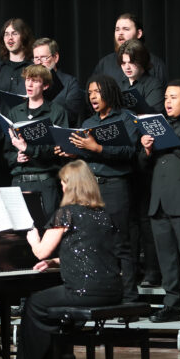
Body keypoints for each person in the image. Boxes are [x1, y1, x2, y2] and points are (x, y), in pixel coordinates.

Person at [2, 160, 122, 359]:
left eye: (64, 183)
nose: (62, 187)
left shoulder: (65, 214)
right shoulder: (102, 214)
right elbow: (92, 252)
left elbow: (40, 252)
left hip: (84, 290)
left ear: (72, 185)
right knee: (47, 307)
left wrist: (33, 239)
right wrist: (57, 261)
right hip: (112, 289)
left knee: (34, 304)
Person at [54, 75, 141, 306]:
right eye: (90, 92)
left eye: (97, 92)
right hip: (90, 189)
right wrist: (74, 152)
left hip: (115, 186)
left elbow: (129, 152)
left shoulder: (126, 119)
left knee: (120, 243)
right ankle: (103, 293)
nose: (92, 96)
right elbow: (85, 153)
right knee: (94, 241)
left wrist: (97, 147)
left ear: (110, 92)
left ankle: (130, 298)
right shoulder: (88, 123)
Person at [139, 80, 180, 323]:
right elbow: (143, 166)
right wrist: (146, 149)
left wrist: (170, 142)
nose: (167, 102)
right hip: (159, 200)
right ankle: (172, 302)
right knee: (166, 256)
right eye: (166, 97)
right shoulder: (161, 126)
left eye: (173, 97)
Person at [5, 65, 70, 219]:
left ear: (45, 85)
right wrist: (16, 158)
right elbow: (6, 151)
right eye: (27, 80)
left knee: (47, 229)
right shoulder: (15, 112)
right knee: (20, 233)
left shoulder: (57, 112)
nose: (29, 84)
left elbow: (58, 149)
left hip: (44, 181)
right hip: (19, 182)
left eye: (35, 81)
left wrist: (28, 149)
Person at [91, 13, 168, 87]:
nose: (120, 33)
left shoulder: (155, 64)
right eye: (117, 29)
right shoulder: (105, 64)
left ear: (139, 34)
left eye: (126, 29)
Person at [32, 37, 87, 125]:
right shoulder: (29, 83)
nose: (39, 63)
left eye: (44, 58)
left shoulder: (70, 83)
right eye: (36, 58)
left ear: (55, 57)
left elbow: (71, 116)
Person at [0, 18, 34, 112]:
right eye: (6, 34)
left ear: (23, 37)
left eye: (15, 33)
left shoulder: (33, 68)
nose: (10, 38)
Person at [117, 39, 165, 113]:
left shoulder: (154, 86)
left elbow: (151, 117)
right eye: (123, 63)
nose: (127, 67)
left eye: (131, 62)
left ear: (142, 61)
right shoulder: (119, 85)